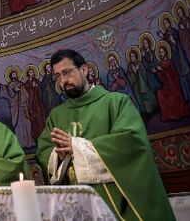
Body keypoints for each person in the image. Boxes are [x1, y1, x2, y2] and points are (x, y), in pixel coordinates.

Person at [37, 49, 175, 220]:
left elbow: (131, 143)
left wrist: (77, 147)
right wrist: (58, 156)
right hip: (75, 206)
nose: (63, 81)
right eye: (58, 76)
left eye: (67, 72)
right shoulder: (56, 115)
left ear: (85, 70)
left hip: (113, 204)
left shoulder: (116, 102)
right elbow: (44, 151)